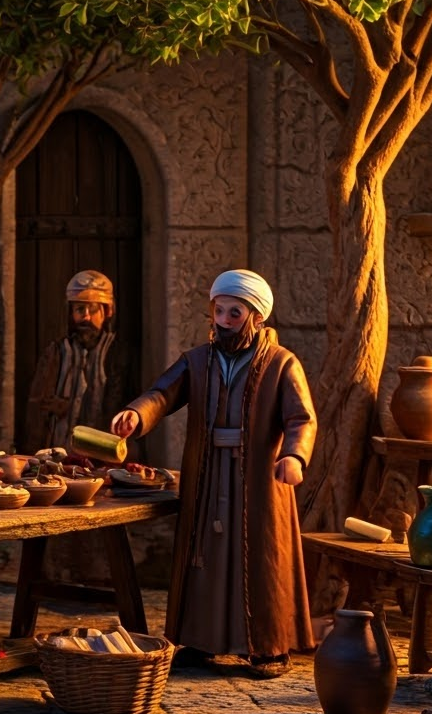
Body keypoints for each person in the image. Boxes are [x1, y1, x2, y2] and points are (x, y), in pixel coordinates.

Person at [110, 269, 316, 678]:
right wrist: (137, 413)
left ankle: (267, 647)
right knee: (204, 556)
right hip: (207, 475)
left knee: (261, 556)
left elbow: (301, 418)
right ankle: (201, 640)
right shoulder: (198, 361)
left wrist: (294, 456)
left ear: (257, 317)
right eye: (219, 311)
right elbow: (163, 393)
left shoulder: (281, 364)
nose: (223, 320)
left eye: (234, 312)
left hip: (259, 479)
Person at [23, 270, 133, 453]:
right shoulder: (56, 353)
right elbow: (37, 411)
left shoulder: (116, 354)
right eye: (80, 309)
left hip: (102, 458)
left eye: (93, 309)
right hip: (58, 455)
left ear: (107, 311)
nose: (86, 317)